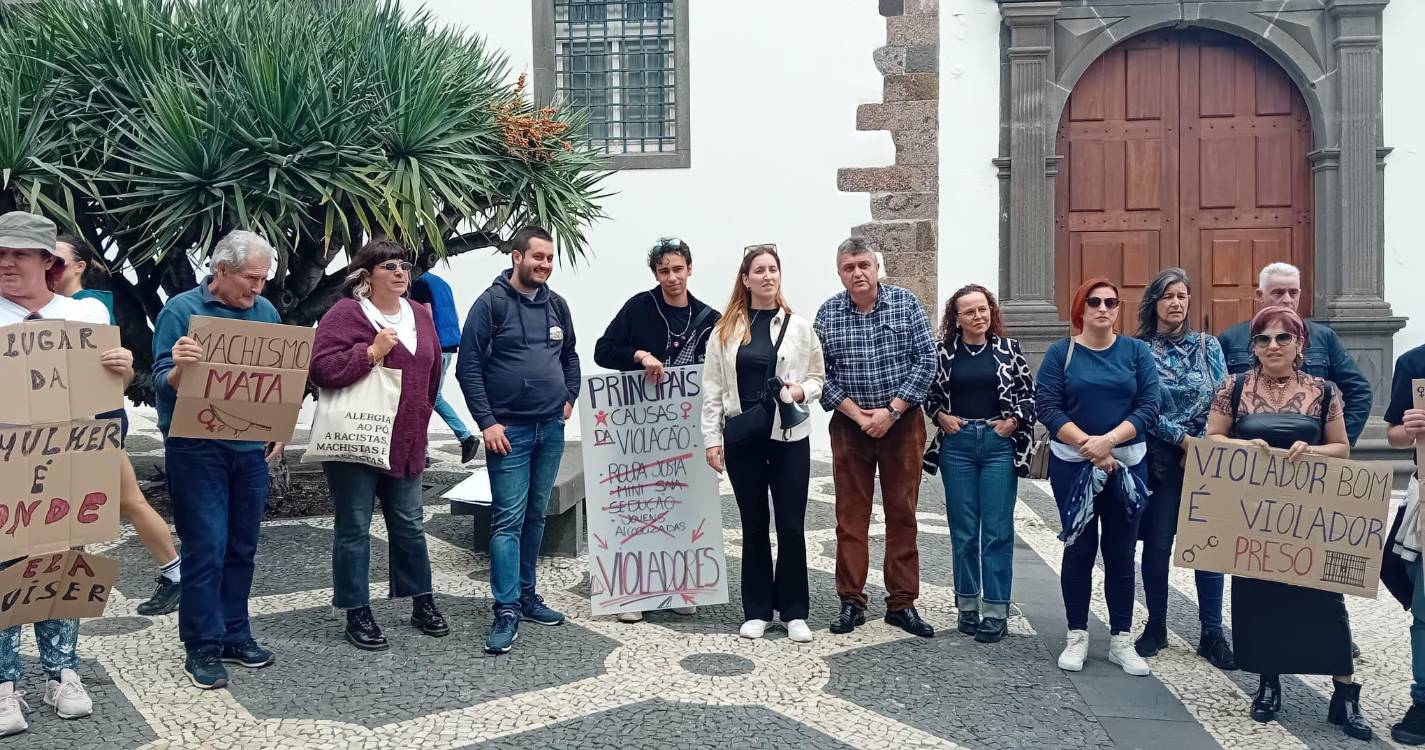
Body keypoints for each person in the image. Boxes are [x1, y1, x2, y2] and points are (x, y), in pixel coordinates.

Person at [1206, 305, 1371, 741]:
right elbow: (1213, 437)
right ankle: (1269, 682)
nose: (1272, 346)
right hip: (1254, 514)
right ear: (1253, 346)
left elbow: (1341, 449)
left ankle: (1344, 692)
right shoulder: (1234, 386)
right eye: (1263, 339)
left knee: (1325, 600)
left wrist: (1311, 451)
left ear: (1300, 344)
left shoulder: (1324, 390)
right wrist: (1244, 446)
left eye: (1283, 338)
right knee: (1260, 598)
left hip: (1307, 515)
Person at [0, 212, 133, 734]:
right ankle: (5, 683)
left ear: (46, 262)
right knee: (4, 567)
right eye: (0, 254)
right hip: (6, 461)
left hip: (70, 460)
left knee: (64, 563)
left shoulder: (85, 315)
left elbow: (106, 397)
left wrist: (121, 372)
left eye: (19, 254)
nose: (7, 263)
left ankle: (63, 672)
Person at [151, 230, 284, 690]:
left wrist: (277, 433)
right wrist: (180, 367)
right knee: (206, 546)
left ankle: (234, 633)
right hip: (196, 448)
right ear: (221, 270)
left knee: (242, 547)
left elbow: (275, 381)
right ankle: (201, 645)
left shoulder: (266, 313)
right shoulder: (181, 311)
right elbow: (158, 382)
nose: (258, 288)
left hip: (249, 451)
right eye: (251, 278)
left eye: (264, 279)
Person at [311, 240, 450, 651]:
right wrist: (370, 352)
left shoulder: (420, 315)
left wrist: (423, 416)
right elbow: (321, 368)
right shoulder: (346, 314)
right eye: (388, 266)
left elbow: (433, 371)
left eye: (403, 266)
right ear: (366, 276)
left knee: (409, 523)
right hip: (357, 440)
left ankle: (421, 600)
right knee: (354, 527)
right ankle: (357, 610)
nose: (400, 273)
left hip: (405, 440)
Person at [456, 226, 580, 655]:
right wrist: (486, 422)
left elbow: (570, 356)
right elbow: (467, 367)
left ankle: (528, 596)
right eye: (537, 257)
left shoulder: (556, 305)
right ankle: (505, 607)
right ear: (516, 257)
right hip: (509, 433)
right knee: (507, 520)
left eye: (549, 258)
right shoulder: (490, 305)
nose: (544, 265)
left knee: (535, 516)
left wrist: (570, 395)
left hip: (551, 428)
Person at [49, 235, 182, 617]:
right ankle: (174, 572)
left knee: (115, 501)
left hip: (94, 418)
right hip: (73, 418)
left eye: (57, 261)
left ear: (80, 266)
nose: (49, 269)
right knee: (117, 500)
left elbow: (108, 377)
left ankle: (173, 573)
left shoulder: (87, 306)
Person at [814, 238, 937, 638]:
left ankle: (902, 603)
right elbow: (819, 373)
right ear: (840, 273)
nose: (858, 273)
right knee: (850, 518)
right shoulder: (829, 313)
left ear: (877, 266)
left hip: (902, 425)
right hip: (851, 428)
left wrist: (892, 411)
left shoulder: (905, 304)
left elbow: (927, 360)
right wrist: (856, 413)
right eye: (849, 267)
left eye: (864, 264)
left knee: (902, 513)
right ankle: (851, 601)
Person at [1036, 278, 1159, 677]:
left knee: (1122, 552)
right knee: (1080, 549)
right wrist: (1088, 445)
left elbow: (1149, 406)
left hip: (1126, 465)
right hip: (1073, 465)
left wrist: (1108, 442)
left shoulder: (1136, 352)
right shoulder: (1062, 353)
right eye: (1094, 301)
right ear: (1081, 308)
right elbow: (1048, 406)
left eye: (1111, 302)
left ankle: (1121, 639)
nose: (1103, 308)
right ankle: (1077, 634)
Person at [702, 245, 823, 642]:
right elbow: (713, 390)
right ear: (745, 278)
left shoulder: (799, 326)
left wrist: (800, 393)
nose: (768, 276)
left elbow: (817, 378)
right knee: (754, 524)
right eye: (760, 270)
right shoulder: (725, 330)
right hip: (743, 437)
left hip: (789, 438)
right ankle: (756, 609)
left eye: (773, 270)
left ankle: (793, 611)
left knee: (791, 524)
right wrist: (711, 440)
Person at [595, 236, 719, 623]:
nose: (671, 277)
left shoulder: (710, 318)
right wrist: (638, 355)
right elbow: (603, 350)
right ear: (655, 273)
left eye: (677, 269)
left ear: (690, 269)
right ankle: (632, 595)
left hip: (684, 434)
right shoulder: (639, 307)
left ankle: (680, 585)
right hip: (639, 430)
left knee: (680, 505)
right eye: (663, 270)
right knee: (635, 507)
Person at [1131, 269, 1233, 669]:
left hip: (1207, 459)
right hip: (1161, 458)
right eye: (1168, 296)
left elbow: (1223, 395)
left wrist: (1205, 441)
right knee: (1157, 544)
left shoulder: (1209, 345)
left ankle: (1212, 632)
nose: (1176, 303)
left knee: (1209, 546)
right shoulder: (1138, 349)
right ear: (1153, 302)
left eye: (1183, 295)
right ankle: (1156, 625)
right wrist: (1181, 440)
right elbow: (1142, 404)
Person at [921, 284, 1034, 644]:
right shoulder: (943, 353)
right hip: (958, 446)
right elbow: (929, 395)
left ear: (991, 311)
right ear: (956, 319)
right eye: (969, 311)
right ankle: (967, 606)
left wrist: (1013, 421)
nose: (978, 316)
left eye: (983, 309)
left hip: (998, 444)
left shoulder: (1008, 350)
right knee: (964, 530)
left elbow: (1030, 395)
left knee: (998, 531)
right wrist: (940, 415)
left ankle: (996, 611)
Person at [1218, 262, 1372, 445]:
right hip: (1248, 459)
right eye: (1278, 292)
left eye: (1293, 292)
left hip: (1307, 456)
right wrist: (1230, 447)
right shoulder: (1231, 338)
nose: (1287, 299)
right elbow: (1216, 399)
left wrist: (1333, 442)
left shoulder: (1323, 337)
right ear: (1260, 295)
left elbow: (1359, 391)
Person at [1385, 341, 1425, 745]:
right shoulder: (1414, 362)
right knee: (1423, 602)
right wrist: (1410, 430)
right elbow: (1394, 434)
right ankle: (1424, 700)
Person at [410, 269, 480, 463]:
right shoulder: (440, 282)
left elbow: (426, 315)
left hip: (434, 347)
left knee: (426, 397)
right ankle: (427, 451)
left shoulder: (419, 285)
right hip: (448, 345)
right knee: (430, 396)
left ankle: (460, 438)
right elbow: (453, 313)